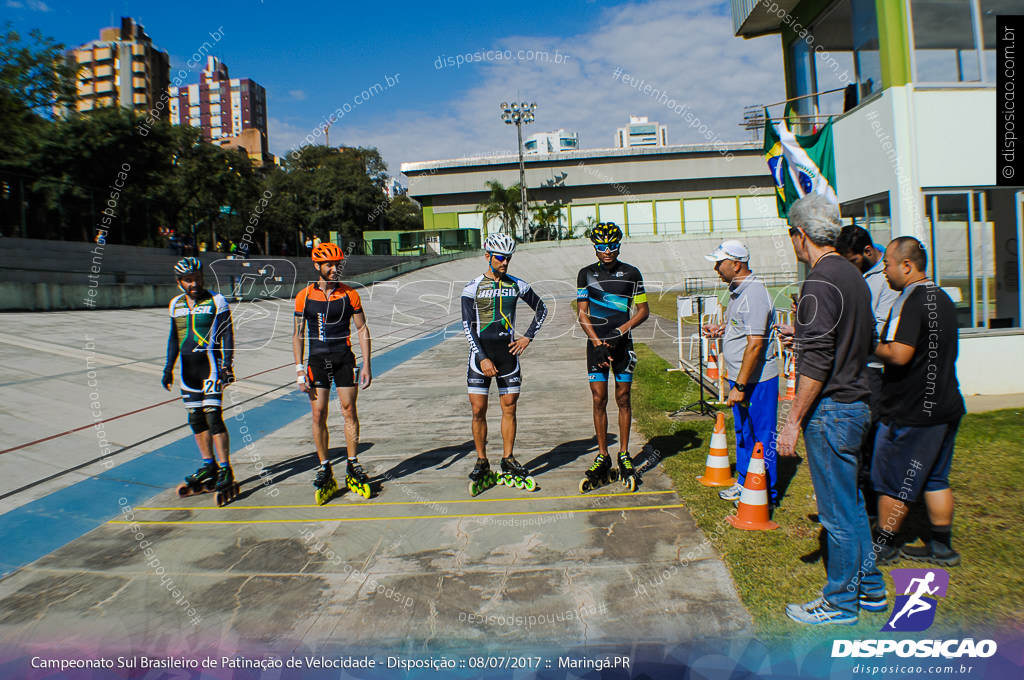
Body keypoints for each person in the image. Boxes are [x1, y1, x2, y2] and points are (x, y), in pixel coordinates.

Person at [776, 194, 885, 626]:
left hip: (833, 410)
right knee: (853, 505)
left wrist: (792, 422)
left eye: (792, 236)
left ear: (801, 235)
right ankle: (871, 588)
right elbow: (856, 335)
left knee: (836, 513)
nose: (793, 243)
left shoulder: (819, 281)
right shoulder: (853, 275)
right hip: (857, 403)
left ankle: (840, 602)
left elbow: (818, 363)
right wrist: (801, 332)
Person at [870, 237, 965, 566]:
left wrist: (866, 348)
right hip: (946, 404)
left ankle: (885, 544)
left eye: (887, 264)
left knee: (892, 480)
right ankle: (942, 546)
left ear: (907, 266)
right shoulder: (942, 298)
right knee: (936, 477)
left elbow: (899, 353)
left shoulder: (910, 301)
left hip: (911, 411)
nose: (884, 271)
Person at [463, 233, 548, 489]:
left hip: (509, 355)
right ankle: (481, 460)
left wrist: (527, 337)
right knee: (478, 411)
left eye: (509, 258)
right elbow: (468, 327)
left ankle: (508, 458)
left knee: (509, 408)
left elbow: (542, 308)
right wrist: (482, 357)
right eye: (501, 258)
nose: (505, 262)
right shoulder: (472, 287)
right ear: (487, 256)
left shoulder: (517, 285)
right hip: (481, 356)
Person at [293, 242, 373, 504]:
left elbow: (362, 329)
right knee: (319, 413)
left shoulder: (350, 294)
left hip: (343, 357)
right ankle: (324, 466)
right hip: (316, 360)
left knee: (349, 410)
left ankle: (352, 463)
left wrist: (367, 364)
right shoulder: (304, 296)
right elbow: (298, 334)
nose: (335, 269)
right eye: (329, 264)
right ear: (317, 266)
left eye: (338, 264)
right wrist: (298, 369)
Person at [703, 240, 779, 506]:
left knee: (761, 435)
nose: (715, 268)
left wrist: (741, 386)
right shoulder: (738, 291)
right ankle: (745, 481)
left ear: (736, 264)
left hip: (756, 380)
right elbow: (743, 329)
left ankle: (764, 493)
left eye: (719, 263)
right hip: (743, 378)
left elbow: (756, 345)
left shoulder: (754, 294)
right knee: (744, 431)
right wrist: (723, 331)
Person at [576, 222, 650, 488]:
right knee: (599, 398)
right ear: (594, 248)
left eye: (612, 246)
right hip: (596, 346)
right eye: (601, 247)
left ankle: (624, 454)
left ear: (619, 245)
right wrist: (597, 343)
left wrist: (622, 330)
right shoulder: (585, 274)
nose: (607, 251)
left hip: (623, 345)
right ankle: (603, 454)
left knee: (623, 398)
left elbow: (643, 310)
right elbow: (582, 313)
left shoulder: (631, 273)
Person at [836, 225, 899, 517]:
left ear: (867, 252)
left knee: (873, 439)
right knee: (859, 437)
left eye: (852, 262)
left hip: (876, 368)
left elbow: (880, 328)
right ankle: (862, 496)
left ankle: (873, 506)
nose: (850, 269)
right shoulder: (865, 276)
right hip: (861, 364)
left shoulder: (885, 280)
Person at [162, 257, 236, 498]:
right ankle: (209, 465)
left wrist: (227, 365)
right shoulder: (175, 304)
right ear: (179, 282)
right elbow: (174, 339)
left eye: (197, 278)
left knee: (213, 417)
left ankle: (225, 468)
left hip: (211, 367)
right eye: (188, 280)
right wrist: (167, 368)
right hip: (188, 371)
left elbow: (227, 334)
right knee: (195, 419)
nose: (194, 283)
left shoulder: (216, 300)